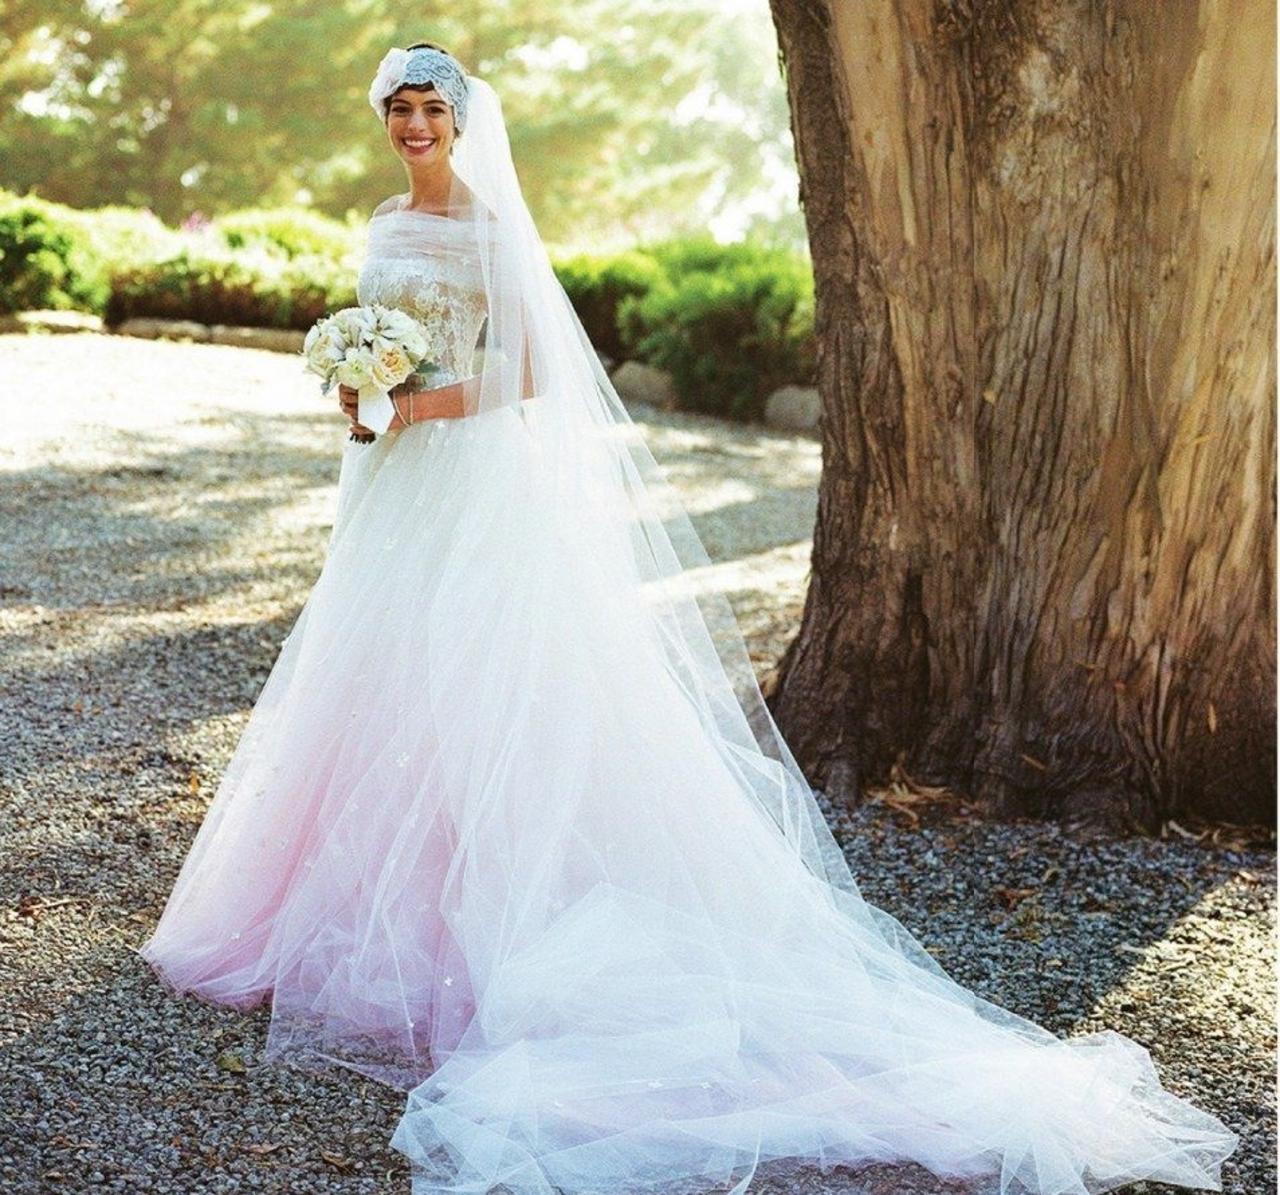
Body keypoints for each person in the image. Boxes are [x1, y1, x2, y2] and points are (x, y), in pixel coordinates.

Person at [137, 42, 1239, 1195]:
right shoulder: (380, 217)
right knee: (374, 672)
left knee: (480, 676)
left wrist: (412, 400)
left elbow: (523, 375)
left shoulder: (489, 226)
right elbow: (382, 341)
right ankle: (332, 907)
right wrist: (362, 403)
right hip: (396, 479)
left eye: (430, 109)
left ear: (461, 123)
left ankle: (478, 926)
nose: (414, 126)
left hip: (474, 481)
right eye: (399, 109)